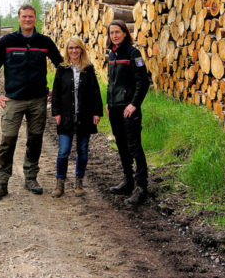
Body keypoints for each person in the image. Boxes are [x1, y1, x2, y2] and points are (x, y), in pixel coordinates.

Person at [0, 4, 63, 201]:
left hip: (38, 101)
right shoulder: (7, 41)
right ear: (19, 18)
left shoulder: (44, 42)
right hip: (13, 101)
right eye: (24, 16)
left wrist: (57, 89)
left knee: (35, 140)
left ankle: (31, 178)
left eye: (31, 16)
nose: (27, 19)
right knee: (7, 141)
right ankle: (1, 183)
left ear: (35, 18)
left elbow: (60, 65)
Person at [50, 37, 103, 198]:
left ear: (82, 50)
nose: (74, 51)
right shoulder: (62, 68)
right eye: (70, 48)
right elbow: (56, 93)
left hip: (85, 116)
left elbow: (95, 91)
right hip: (66, 116)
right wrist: (56, 113)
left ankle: (79, 181)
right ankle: (60, 183)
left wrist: (96, 112)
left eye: (77, 48)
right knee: (63, 151)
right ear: (67, 50)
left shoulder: (89, 68)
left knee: (83, 151)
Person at [106, 19, 150, 205]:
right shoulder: (111, 55)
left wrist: (134, 104)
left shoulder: (134, 53)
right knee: (121, 145)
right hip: (114, 109)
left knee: (134, 146)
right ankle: (128, 180)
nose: (115, 35)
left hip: (129, 109)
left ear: (125, 33)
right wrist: (109, 103)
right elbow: (111, 83)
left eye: (118, 32)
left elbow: (143, 81)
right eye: (112, 33)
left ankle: (141, 187)